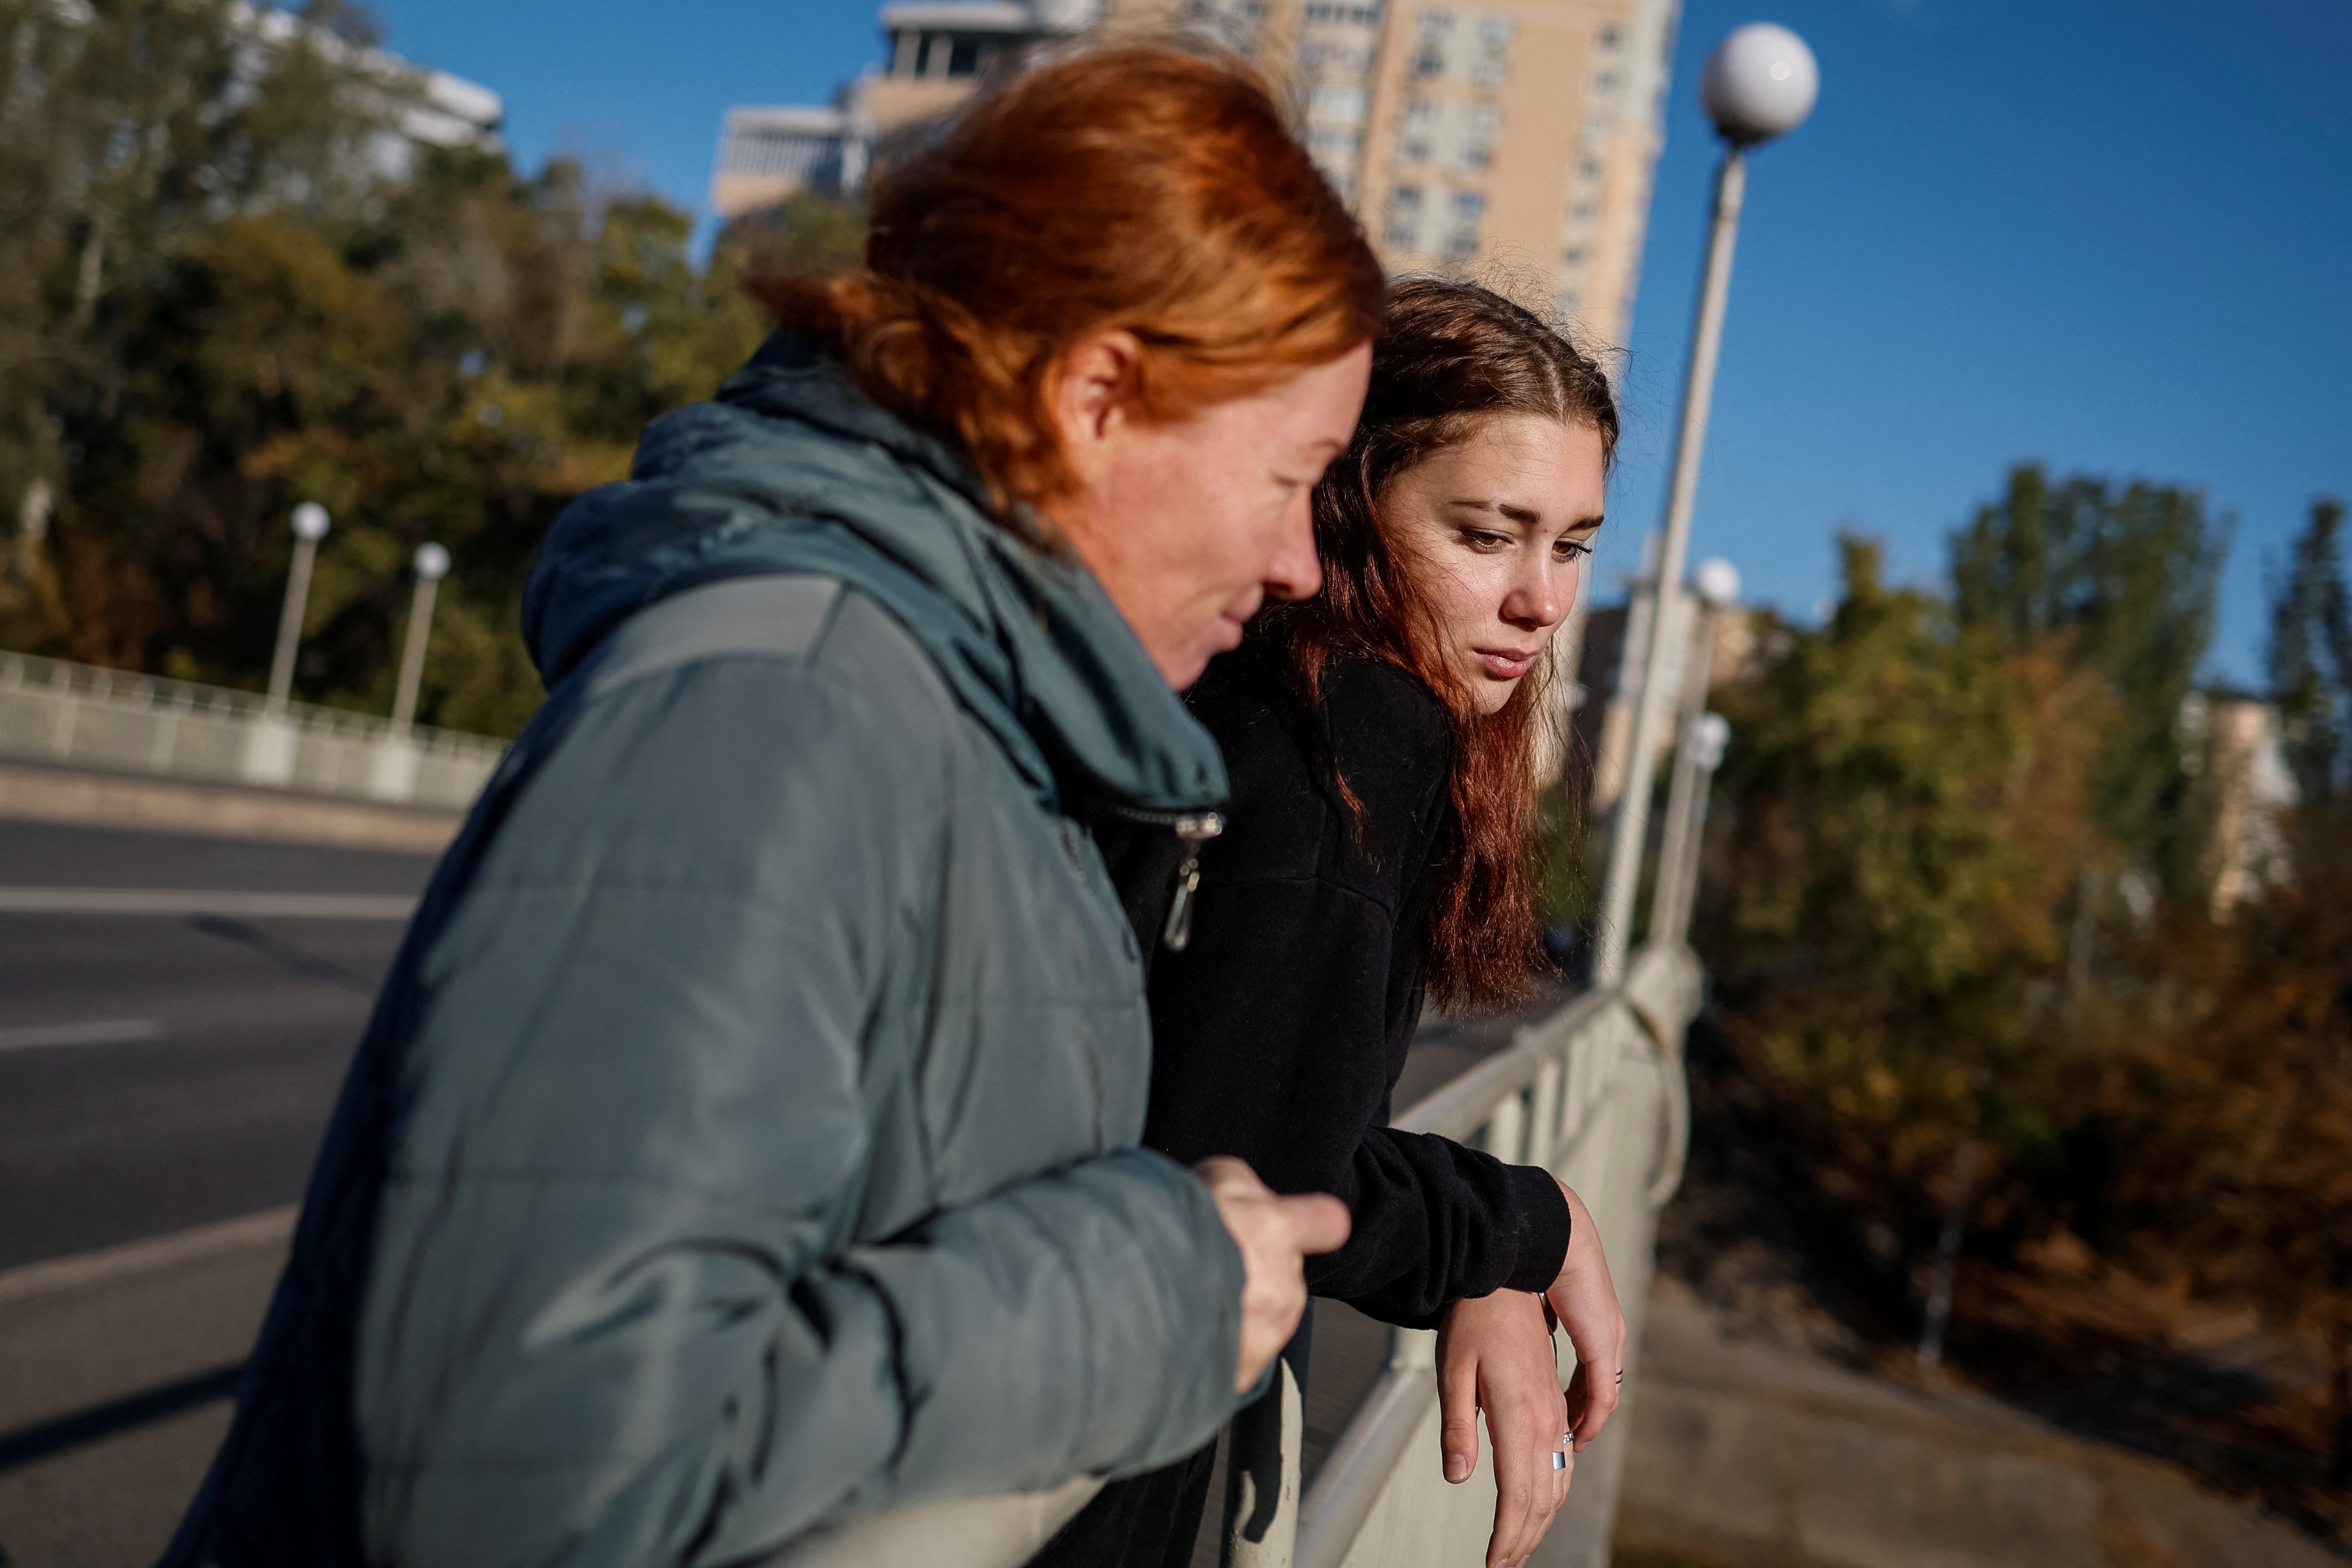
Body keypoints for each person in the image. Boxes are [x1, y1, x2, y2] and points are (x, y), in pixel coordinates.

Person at [161, 48, 1382, 1567]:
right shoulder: (778, 707)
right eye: (1290, 478)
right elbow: (524, 1447)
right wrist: (1147, 1296)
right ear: (1098, 396)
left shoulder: (970, 731)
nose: (1301, 567)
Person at [1037, 279, 1625, 1568]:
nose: (1538, 598)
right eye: (1485, 534)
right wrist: (1514, 1225)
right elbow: (1260, 1176)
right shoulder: (1353, 726)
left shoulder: (1245, 677)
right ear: (1353, 503)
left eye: (1571, 544)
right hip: (1056, 1461)